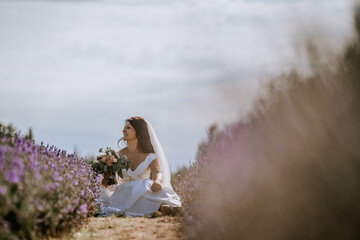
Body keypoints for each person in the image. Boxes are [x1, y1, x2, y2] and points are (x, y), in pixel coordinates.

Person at [97, 116, 181, 217]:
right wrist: (104, 164)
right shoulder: (117, 155)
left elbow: (157, 172)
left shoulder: (150, 156)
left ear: (138, 132)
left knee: (148, 189)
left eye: (128, 128)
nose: (123, 130)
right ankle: (159, 208)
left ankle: (162, 209)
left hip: (143, 192)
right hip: (123, 195)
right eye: (124, 128)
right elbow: (105, 175)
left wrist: (158, 181)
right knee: (144, 184)